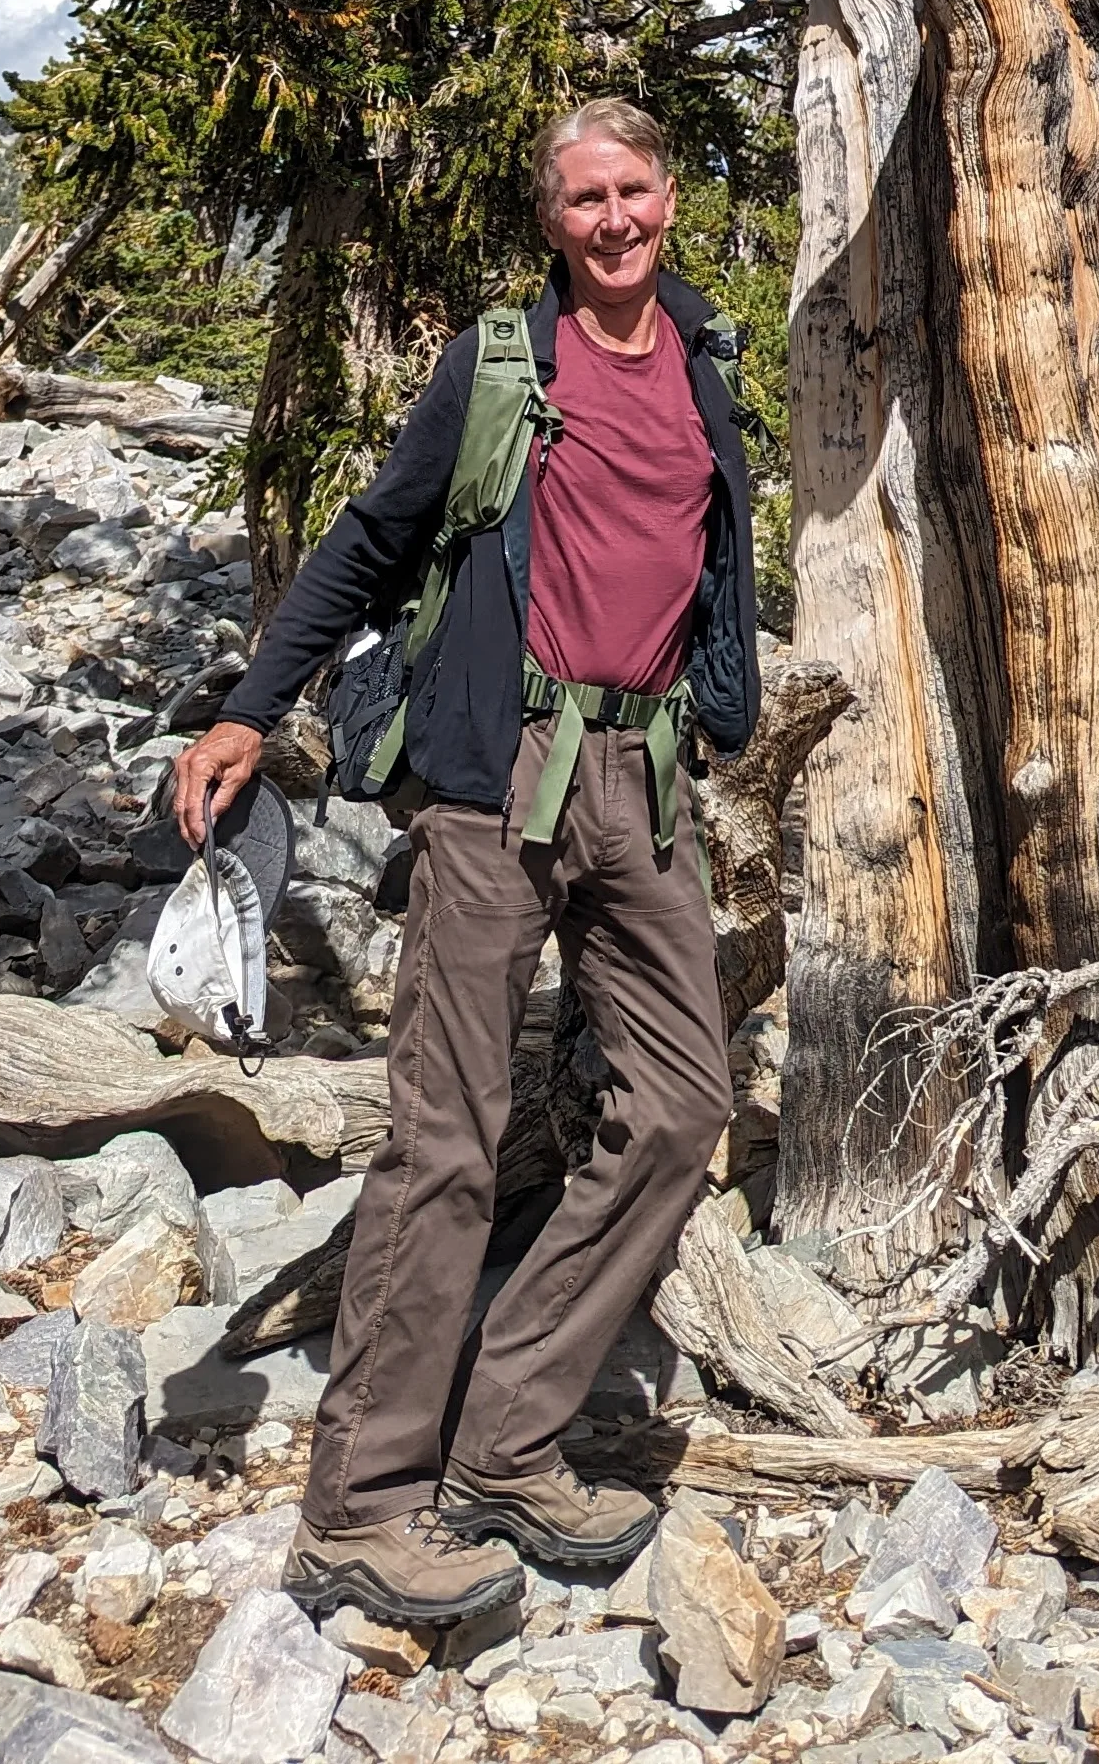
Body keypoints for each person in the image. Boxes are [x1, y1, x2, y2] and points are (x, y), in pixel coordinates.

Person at [172, 98, 757, 1633]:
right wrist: (248, 710)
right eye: (584, 199)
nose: (613, 219)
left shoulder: (705, 358)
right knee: (449, 1134)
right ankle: (359, 1511)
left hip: (641, 773)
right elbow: (372, 541)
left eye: (633, 189)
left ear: (670, 199)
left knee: (683, 1101)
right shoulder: (505, 363)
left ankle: (505, 1438)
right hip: (494, 780)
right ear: (551, 218)